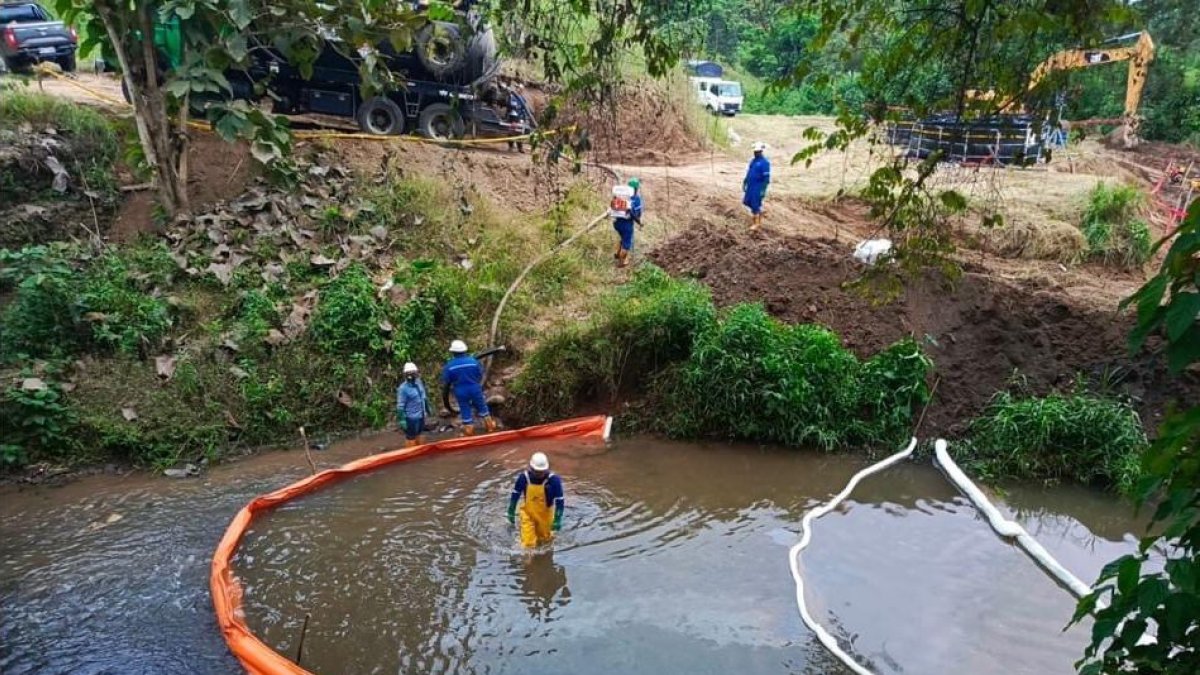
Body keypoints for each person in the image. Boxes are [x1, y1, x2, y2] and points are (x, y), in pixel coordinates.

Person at [507, 451, 564, 548]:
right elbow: (515, 494)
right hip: (528, 513)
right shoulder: (524, 478)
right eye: (536, 472)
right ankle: (528, 560)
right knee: (528, 543)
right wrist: (511, 510)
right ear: (530, 468)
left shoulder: (554, 480)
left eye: (541, 472)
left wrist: (557, 519)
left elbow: (560, 500)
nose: (539, 474)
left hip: (545, 515)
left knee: (545, 540)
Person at [440, 339, 496, 436]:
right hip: (474, 388)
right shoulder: (473, 361)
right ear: (464, 351)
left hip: (460, 391)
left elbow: (447, 381)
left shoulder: (449, 366)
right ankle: (490, 428)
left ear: (453, 352)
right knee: (482, 407)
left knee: (465, 409)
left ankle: (469, 432)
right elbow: (480, 374)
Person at [396, 362, 430, 448]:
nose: (411, 375)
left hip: (421, 415)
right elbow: (400, 406)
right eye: (409, 373)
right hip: (411, 418)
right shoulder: (403, 388)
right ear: (405, 375)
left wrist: (427, 408)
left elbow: (424, 396)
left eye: (413, 373)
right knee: (411, 437)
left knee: (420, 434)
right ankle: (411, 454)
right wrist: (402, 419)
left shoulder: (419, 383)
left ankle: (420, 453)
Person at [612, 177, 643, 268]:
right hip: (627, 224)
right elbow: (635, 214)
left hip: (617, 222)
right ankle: (622, 262)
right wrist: (639, 222)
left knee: (623, 238)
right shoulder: (636, 199)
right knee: (627, 244)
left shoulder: (621, 195)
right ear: (636, 188)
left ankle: (617, 254)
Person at [742, 141, 771, 231]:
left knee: (754, 203)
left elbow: (766, 178)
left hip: (758, 186)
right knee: (746, 201)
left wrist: (763, 189)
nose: (755, 153)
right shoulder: (753, 161)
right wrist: (745, 181)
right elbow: (749, 172)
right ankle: (759, 211)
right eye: (755, 151)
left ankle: (756, 223)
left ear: (761, 152)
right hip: (751, 185)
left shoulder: (765, 163)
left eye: (757, 152)